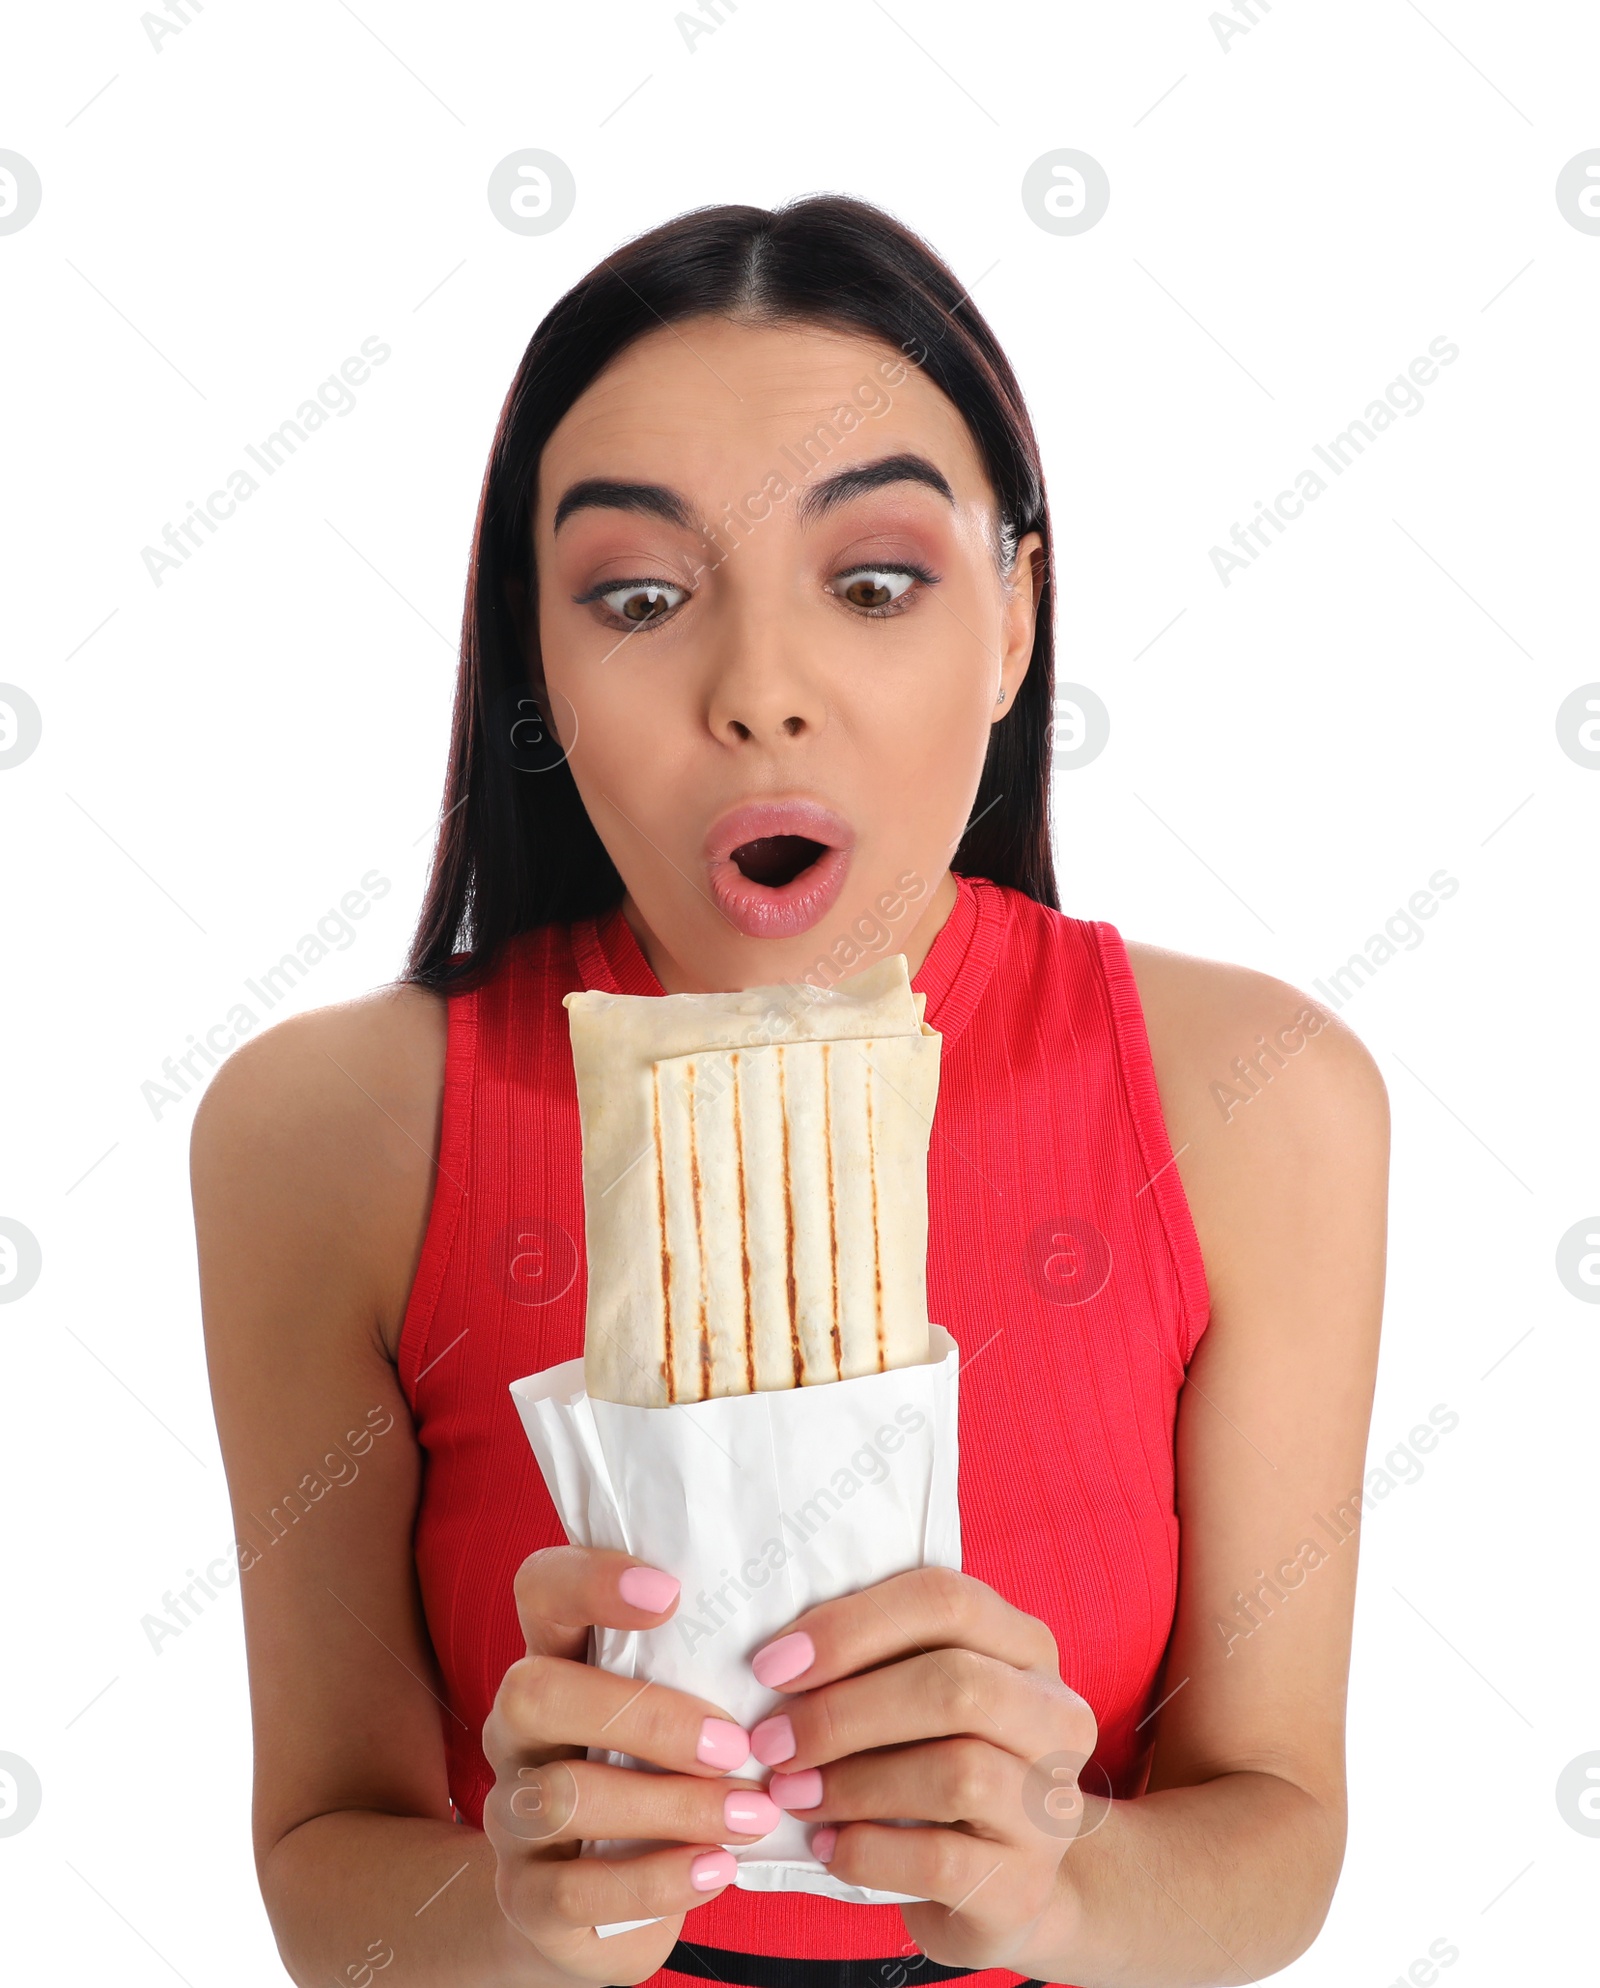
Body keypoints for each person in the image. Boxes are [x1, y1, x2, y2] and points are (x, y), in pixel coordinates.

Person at [192, 195, 1388, 1988]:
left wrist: (1057, 1882)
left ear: (1012, 623)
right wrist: (530, 1911)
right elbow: (322, 1867)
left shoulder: (1262, 1101)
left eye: (878, 581)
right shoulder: (328, 1133)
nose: (760, 693)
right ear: (538, 660)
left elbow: (1275, 1822)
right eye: (642, 597)